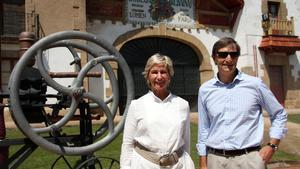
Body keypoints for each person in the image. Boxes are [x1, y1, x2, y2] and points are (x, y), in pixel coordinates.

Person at [196, 37, 288, 169]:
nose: (228, 59)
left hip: (249, 160)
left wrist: (272, 146)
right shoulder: (205, 90)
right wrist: (203, 164)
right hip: (215, 160)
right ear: (214, 58)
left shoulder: (255, 85)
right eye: (222, 55)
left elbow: (279, 113)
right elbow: (204, 129)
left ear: (237, 57)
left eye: (233, 55)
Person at [120, 53, 195, 169]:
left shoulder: (182, 105)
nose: (159, 77)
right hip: (144, 165)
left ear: (169, 76)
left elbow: (186, 143)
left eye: (163, 72)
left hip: (178, 165)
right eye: (154, 72)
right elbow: (127, 144)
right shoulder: (137, 105)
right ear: (148, 76)